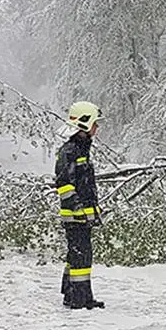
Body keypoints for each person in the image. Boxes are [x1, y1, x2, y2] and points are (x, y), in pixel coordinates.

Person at [55, 101, 105, 310]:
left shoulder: (81, 149)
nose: (97, 128)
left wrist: (94, 210)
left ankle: (73, 294)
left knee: (78, 254)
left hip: (83, 214)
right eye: (95, 123)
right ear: (84, 123)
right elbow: (64, 183)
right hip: (74, 215)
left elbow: (85, 185)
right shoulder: (70, 151)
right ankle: (79, 299)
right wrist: (77, 208)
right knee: (80, 256)